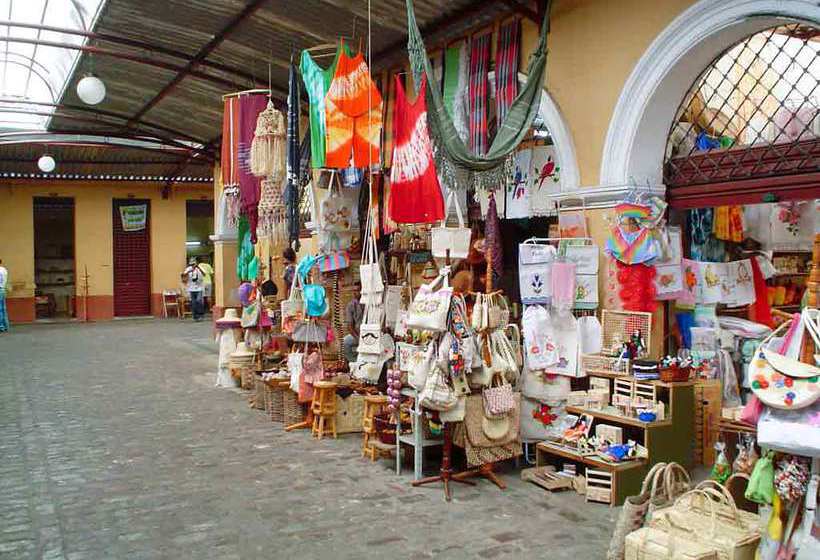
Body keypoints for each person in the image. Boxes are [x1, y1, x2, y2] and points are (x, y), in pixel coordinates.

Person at [343, 282, 364, 364]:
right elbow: (349, 326)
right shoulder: (351, 305)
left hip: (370, 333)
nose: (355, 293)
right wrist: (358, 338)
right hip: (357, 334)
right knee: (344, 342)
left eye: (358, 290)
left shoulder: (369, 303)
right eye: (354, 291)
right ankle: (355, 362)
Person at [0, 258, 8, 332]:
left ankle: (1, 326)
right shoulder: (4, 270)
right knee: (3, 308)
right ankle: (5, 326)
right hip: (3, 289)